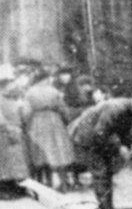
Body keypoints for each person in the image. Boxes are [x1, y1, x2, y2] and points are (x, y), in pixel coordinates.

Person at [68, 86, 132, 209]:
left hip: (97, 137)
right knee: (101, 173)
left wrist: (131, 144)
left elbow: (122, 130)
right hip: (87, 137)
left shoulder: (130, 110)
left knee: (106, 173)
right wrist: (120, 147)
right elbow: (101, 131)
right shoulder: (116, 108)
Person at [22, 69, 76, 190]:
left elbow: (26, 112)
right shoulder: (54, 91)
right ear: (45, 79)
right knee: (58, 152)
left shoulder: (30, 92)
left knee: (39, 153)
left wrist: (26, 124)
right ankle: (64, 184)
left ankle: (41, 184)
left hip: (37, 122)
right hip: (54, 121)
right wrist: (66, 120)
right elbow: (63, 108)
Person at [0, 65, 30, 198]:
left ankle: (13, 187)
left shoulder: (15, 99)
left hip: (13, 131)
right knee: (7, 162)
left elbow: (24, 115)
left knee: (14, 162)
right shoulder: (9, 99)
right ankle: (7, 188)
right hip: (5, 132)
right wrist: (8, 127)